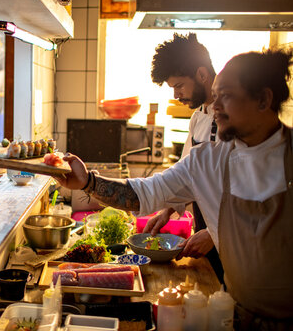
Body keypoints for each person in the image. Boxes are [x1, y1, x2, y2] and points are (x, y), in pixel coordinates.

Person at [57, 49, 293, 329]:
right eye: (215, 96)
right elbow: (143, 193)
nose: (215, 107)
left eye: (226, 96)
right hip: (236, 316)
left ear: (263, 99)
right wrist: (88, 182)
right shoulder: (207, 162)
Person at [146, 33, 224, 283]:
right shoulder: (197, 118)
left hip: (233, 237)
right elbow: (188, 175)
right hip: (205, 228)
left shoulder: (236, 117)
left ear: (202, 75)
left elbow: (248, 192)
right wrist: (167, 210)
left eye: (179, 86)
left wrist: (215, 234)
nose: (177, 95)